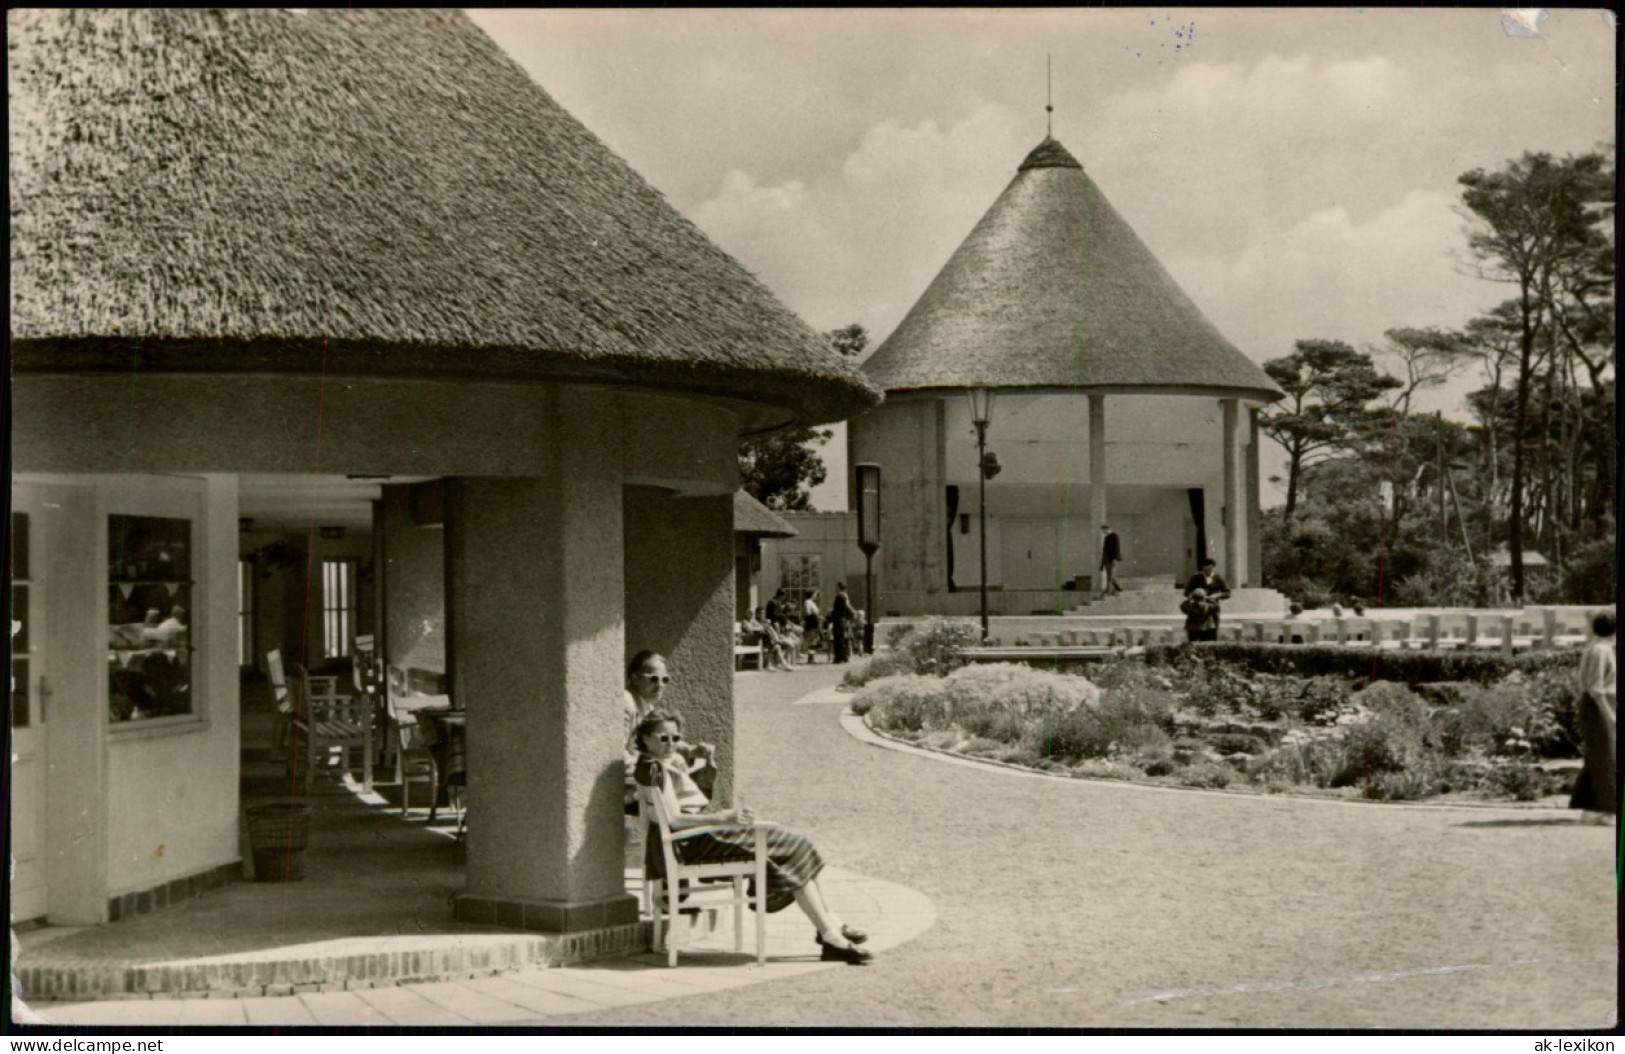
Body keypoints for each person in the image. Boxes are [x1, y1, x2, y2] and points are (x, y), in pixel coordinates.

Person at [632, 711, 873, 963]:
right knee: (788, 851)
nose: (670, 744)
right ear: (646, 739)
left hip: (701, 836)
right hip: (692, 842)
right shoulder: (652, 769)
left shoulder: (661, 763)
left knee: (798, 845)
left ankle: (831, 926)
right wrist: (722, 818)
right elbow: (673, 820)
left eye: (675, 737)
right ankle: (830, 935)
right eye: (663, 738)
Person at [624, 651, 715, 806]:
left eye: (665, 680)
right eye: (653, 679)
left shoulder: (646, 705)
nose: (660, 685)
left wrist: (691, 750)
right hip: (632, 788)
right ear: (634, 678)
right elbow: (616, 755)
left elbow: (659, 738)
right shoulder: (626, 702)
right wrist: (657, 770)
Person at [1569, 613, 1616, 819]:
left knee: (1596, 757)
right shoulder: (1601, 650)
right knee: (1607, 757)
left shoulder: (1596, 648)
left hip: (1595, 705)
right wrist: (1610, 716)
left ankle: (1588, 808)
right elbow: (1596, 688)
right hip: (1599, 705)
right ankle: (1605, 811)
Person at [1184, 559, 1231, 634]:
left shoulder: (1218, 578)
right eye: (1204, 570)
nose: (1206, 572)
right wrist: (1196, 594)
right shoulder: (1195, 577)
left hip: (1213, 607)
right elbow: (1186, 592)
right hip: (1198, 608)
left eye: (1209, 570)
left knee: (1213, 630)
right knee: (1196, 630)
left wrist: (1217, 595)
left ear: (1213, 568)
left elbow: (1228, 593)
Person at [828, 583, 854, 664]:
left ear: (839, 587)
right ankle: (843, 656)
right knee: (841, 639)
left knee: (838, 639)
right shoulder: (845, 596)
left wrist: (831, 614)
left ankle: (839, 657)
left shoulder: (839, 596)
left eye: (836, 587)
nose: (835, 588)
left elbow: (840, 609)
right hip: (842, 619)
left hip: (838, 620)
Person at [1099, 526, 1123, 597]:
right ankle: (1118, 588)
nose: (1103, 532)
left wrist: (1114, 558)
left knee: (1110, 576)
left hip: (1111, 558)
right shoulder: (1106, 538)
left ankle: (1108, 591)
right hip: (1107, 559)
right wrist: (1102, 564)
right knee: (1111, 576)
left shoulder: (1114, 536)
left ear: (1107, 529)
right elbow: (1104, 551)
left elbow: (1117, 548)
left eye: (1104, 531)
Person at [802, 591, 823, 663]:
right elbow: (808, 612)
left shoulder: (812, 602)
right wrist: (814, 616)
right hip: (811, 623)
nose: (816, 596)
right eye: (815, 594)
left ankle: (812, 658)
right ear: (811, 595)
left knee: (813, 640)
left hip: (814, 622)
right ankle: (810, 658)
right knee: (811, 640)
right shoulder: (807, 602)